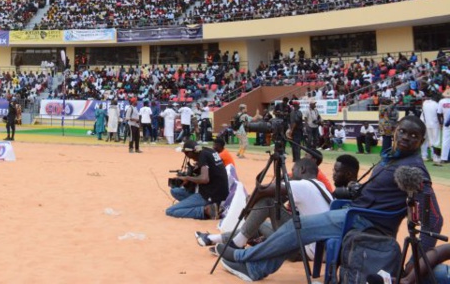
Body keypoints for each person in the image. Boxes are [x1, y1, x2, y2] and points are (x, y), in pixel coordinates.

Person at [218, 116, 443, 282]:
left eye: (414, 136)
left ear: (421, 141)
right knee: (299, 230)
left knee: (300, 226)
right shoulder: (393, 158)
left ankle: (242, 255)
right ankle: (255, 268)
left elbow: (434, 220)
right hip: (357, 213)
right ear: (395, 131)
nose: (406, 138)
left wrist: (415, 263)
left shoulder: (415, 170)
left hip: (366, 221)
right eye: (403, 131)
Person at [196, 156, 331, 256]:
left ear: (301, 169)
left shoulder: (303, 185)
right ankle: (214, 238)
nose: (291, 174)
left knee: (267, 202)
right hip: (317, 245)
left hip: (305, 248)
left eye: (293, 170)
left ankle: (236, 244)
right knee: (257, 223)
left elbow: (264, 191)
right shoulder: (319, 186)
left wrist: (249, 206)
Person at [165, 139, 229, 220]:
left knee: (170, 210)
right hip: (218, 193)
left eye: (186, 153)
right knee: (174, 191)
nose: (187, 155)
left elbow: (204, 179)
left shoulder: (202, 156)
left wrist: (187, 178)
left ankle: (206, 210)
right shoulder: (207, 151)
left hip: (210, 195)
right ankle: (204, 207)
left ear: (191, 152)